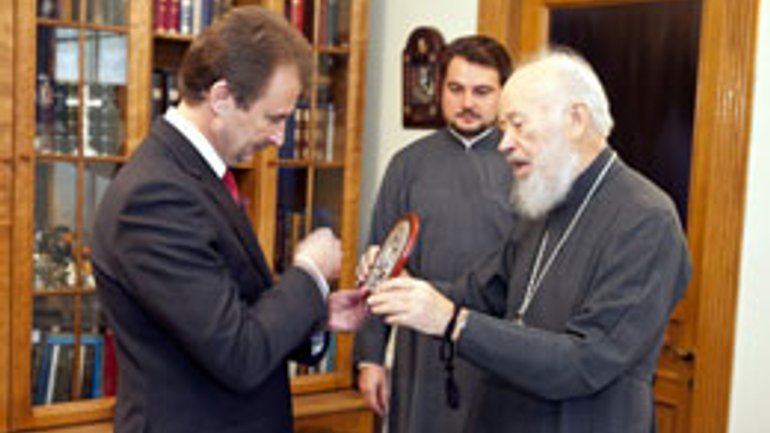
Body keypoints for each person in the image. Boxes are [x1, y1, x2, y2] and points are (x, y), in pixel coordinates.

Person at [367, 48, 691, 433]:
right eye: (505, 128)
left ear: (575, 120)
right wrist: (402, 292)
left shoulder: (646, 219)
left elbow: (586, 361)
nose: (504, 143)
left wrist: (454, 322)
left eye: (518, 125)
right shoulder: (545, 198)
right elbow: (480, 291)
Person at [92, 7, 366, 433]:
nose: (279, 137)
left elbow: (234, 313)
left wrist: (316, 310)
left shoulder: (198, 177)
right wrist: (309, 272)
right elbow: (239, 353)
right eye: (273, 118)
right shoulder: (155, 196)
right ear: (221, 98)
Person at [353, 35, 515, 433]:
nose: (467, 103)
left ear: (503, 95)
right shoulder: (408, 164)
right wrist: (371, 357)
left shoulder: (523, 166)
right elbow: (381, 266)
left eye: (482, 92)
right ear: (439, 88)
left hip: (497, 345)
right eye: (455, 89)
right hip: (418, 353)